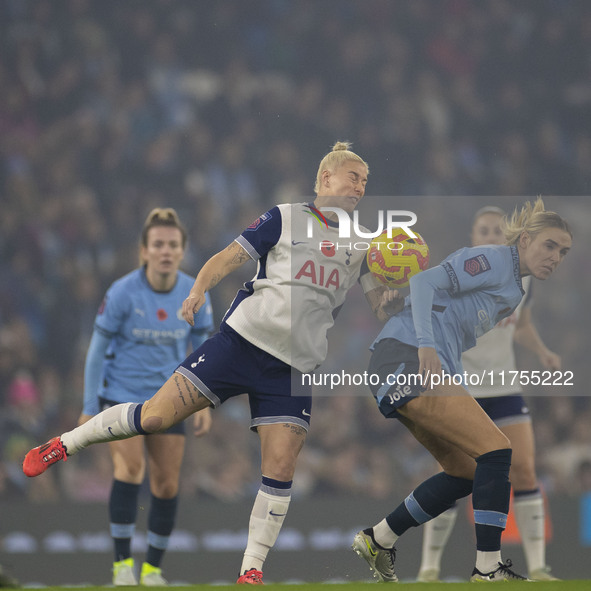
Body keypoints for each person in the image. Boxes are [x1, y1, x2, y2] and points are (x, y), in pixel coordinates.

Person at [23, 142, 398, 585]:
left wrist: (399, 281)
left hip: (293, 369)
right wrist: (198, 290)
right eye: (353, 176)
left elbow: (380, 305)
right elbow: (228, 257)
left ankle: (251, 570)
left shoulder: (365, 243)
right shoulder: (284, 217)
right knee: (156, 415)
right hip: (240, 343)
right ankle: (65, 444)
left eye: (365, 181)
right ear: (325, 180)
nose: (360, 186)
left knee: (280, 467)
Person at [352, 198, 571, 582]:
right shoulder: (494, 259)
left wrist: (399, 308)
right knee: (498, 449)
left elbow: (441, 307)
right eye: (549, 245)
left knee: (466, 471)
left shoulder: (516, 291)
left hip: (413, 364)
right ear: (523, 240)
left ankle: (379, 538)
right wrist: (424, 343)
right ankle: (488, 568)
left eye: (563, 251)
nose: (556, 257)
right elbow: (423, 281)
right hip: (407, 358)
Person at [416, 206, 559, 582]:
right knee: (454, 473)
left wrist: (541, 350)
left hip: (505, 386)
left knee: (525, 469)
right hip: (462, 387)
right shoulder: (463, 273)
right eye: (484, 230)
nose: (493, 235)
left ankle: (539, 568)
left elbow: (521, 325)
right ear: (473, 237)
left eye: (498, 230)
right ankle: (429, 567)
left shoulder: (524, 281)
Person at [78, 208, 214, 585]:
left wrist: (204, 402)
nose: (165, 251)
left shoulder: (194, 292)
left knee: (167, 485)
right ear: (144, 251)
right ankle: (122, 565)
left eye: (173, 245)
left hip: (168, 401)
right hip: (119, 397)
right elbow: (96, 349)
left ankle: (152, 569)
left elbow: (204, 347)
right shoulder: (122, 292)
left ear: (183, 251)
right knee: (130, 469)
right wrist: (90, 407)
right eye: (158, 245)